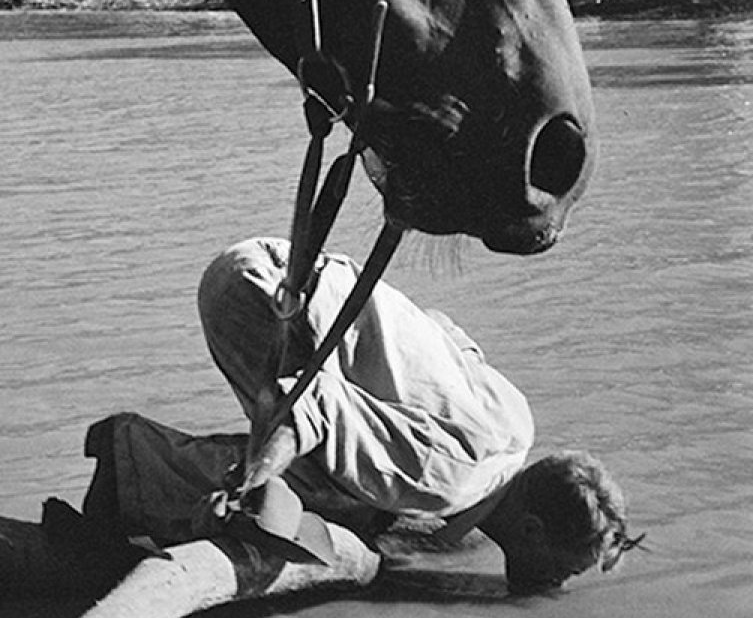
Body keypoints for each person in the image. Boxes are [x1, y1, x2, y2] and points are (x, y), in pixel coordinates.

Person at [82, 237, 641, 595]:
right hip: (261, 298)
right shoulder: (445, 480)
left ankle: (138, 465)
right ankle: (128, 465)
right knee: (309, 482)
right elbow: (312, 400)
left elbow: (448, 332)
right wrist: (255, 479)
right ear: (532, 529)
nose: (559, 585)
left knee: (357, 477)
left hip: (295, 264)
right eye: (564, 570)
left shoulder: (516, 424)